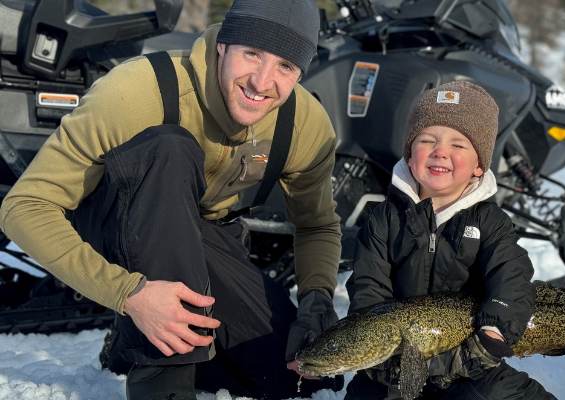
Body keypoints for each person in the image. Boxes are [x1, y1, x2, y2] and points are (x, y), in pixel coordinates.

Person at [0, 0, 343, 398]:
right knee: (170, 147)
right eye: (252, 53)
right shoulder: (137, 92)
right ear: (222, 45)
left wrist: (316, 298)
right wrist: (128, 293)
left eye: (285, 66)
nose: (262, 82)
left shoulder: (306, 125)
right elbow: (23, 207)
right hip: (115, 225)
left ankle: (129, 342)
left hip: (202, 236)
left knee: (296, 373)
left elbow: (316, 223)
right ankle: (163, 380)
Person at [341, 81, 555, 399]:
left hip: (469, 358)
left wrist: (493, 330)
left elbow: (511, 278)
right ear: (410, 154)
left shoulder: (491, 222)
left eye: (458, 145)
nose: (441, 151)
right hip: (397, 360)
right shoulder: (382, 219)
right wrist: (374, 347)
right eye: (428, 140)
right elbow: (367, 287)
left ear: (479, 165)